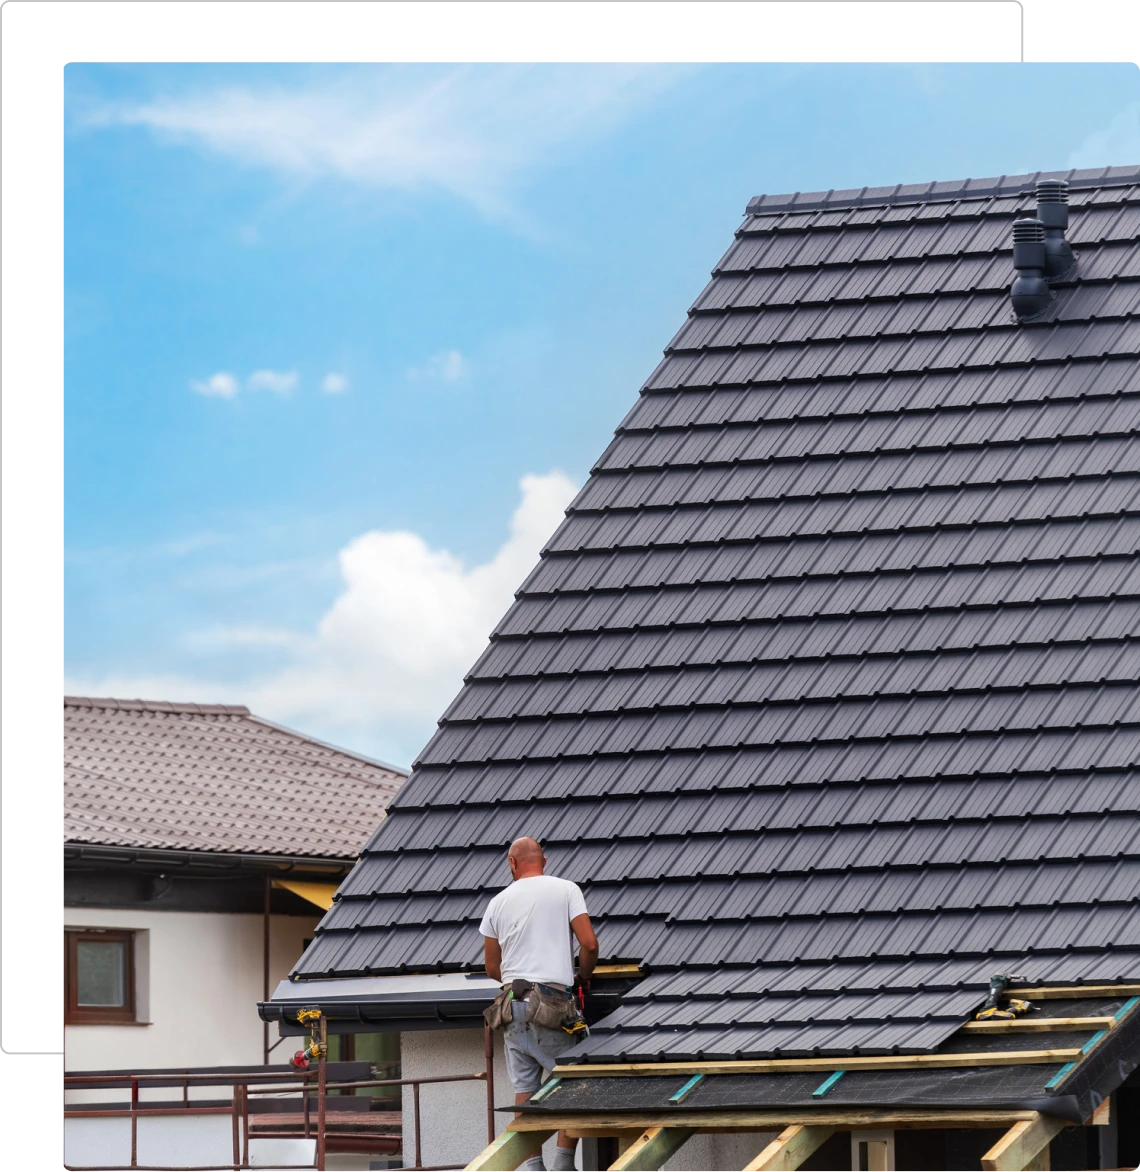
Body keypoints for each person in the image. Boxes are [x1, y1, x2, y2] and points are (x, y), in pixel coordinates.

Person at [480, 837, 599, 1172]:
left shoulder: (497, 903)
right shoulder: (566, 890)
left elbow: (493, 968)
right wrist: (583, 975)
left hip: (511, 1005)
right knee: (571, 1081)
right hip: (552, 1002)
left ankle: (533, 1166)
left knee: (525, 1089)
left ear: (512, 863)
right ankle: (563, 1164)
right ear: (543, 861)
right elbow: (589, 944)